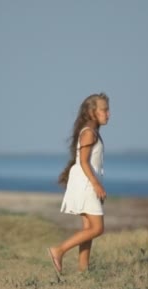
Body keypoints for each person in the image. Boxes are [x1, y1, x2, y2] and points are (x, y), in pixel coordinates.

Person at [47, 92, 110, 275]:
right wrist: (97, 185)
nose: (108, 114)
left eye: (108, 110)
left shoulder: (91, 131)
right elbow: (83, 161)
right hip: (86, 184)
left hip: (85, 182)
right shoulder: (89, 132)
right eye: (104, 110)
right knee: (98, 228)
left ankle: (83, 270)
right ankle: (58, 250)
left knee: (89, 229)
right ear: (92, 112)